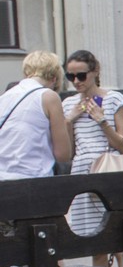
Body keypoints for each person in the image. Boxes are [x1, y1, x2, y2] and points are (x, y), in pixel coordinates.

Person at [63, 49, 123, 267]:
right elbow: (69, 151)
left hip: (109, 173)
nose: (76, 82)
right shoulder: (68, 104)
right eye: (70, 76)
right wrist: (69, 120)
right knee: (97, 246)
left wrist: (102, 120)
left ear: (95, 72)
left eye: (81, 75)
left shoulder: (113, 99)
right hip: (83, 176)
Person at [0, 51, 71, 180]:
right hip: (33, 178)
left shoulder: (5, 97)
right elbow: (63, 155)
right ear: (54, 78)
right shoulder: (48, 96)